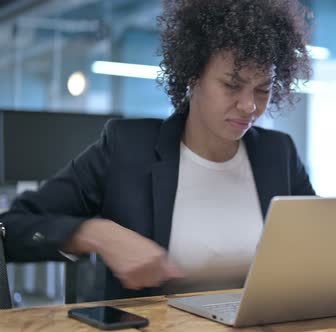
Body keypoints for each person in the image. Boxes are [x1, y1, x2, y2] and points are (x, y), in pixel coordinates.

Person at [0, 0, 314, 301]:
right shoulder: (127, 148)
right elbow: (12, 228)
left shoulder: (278, 154)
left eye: (262, 89)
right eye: (232, 85)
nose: (249, 106)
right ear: (193, 78)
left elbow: (322, 246)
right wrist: (96, 234)